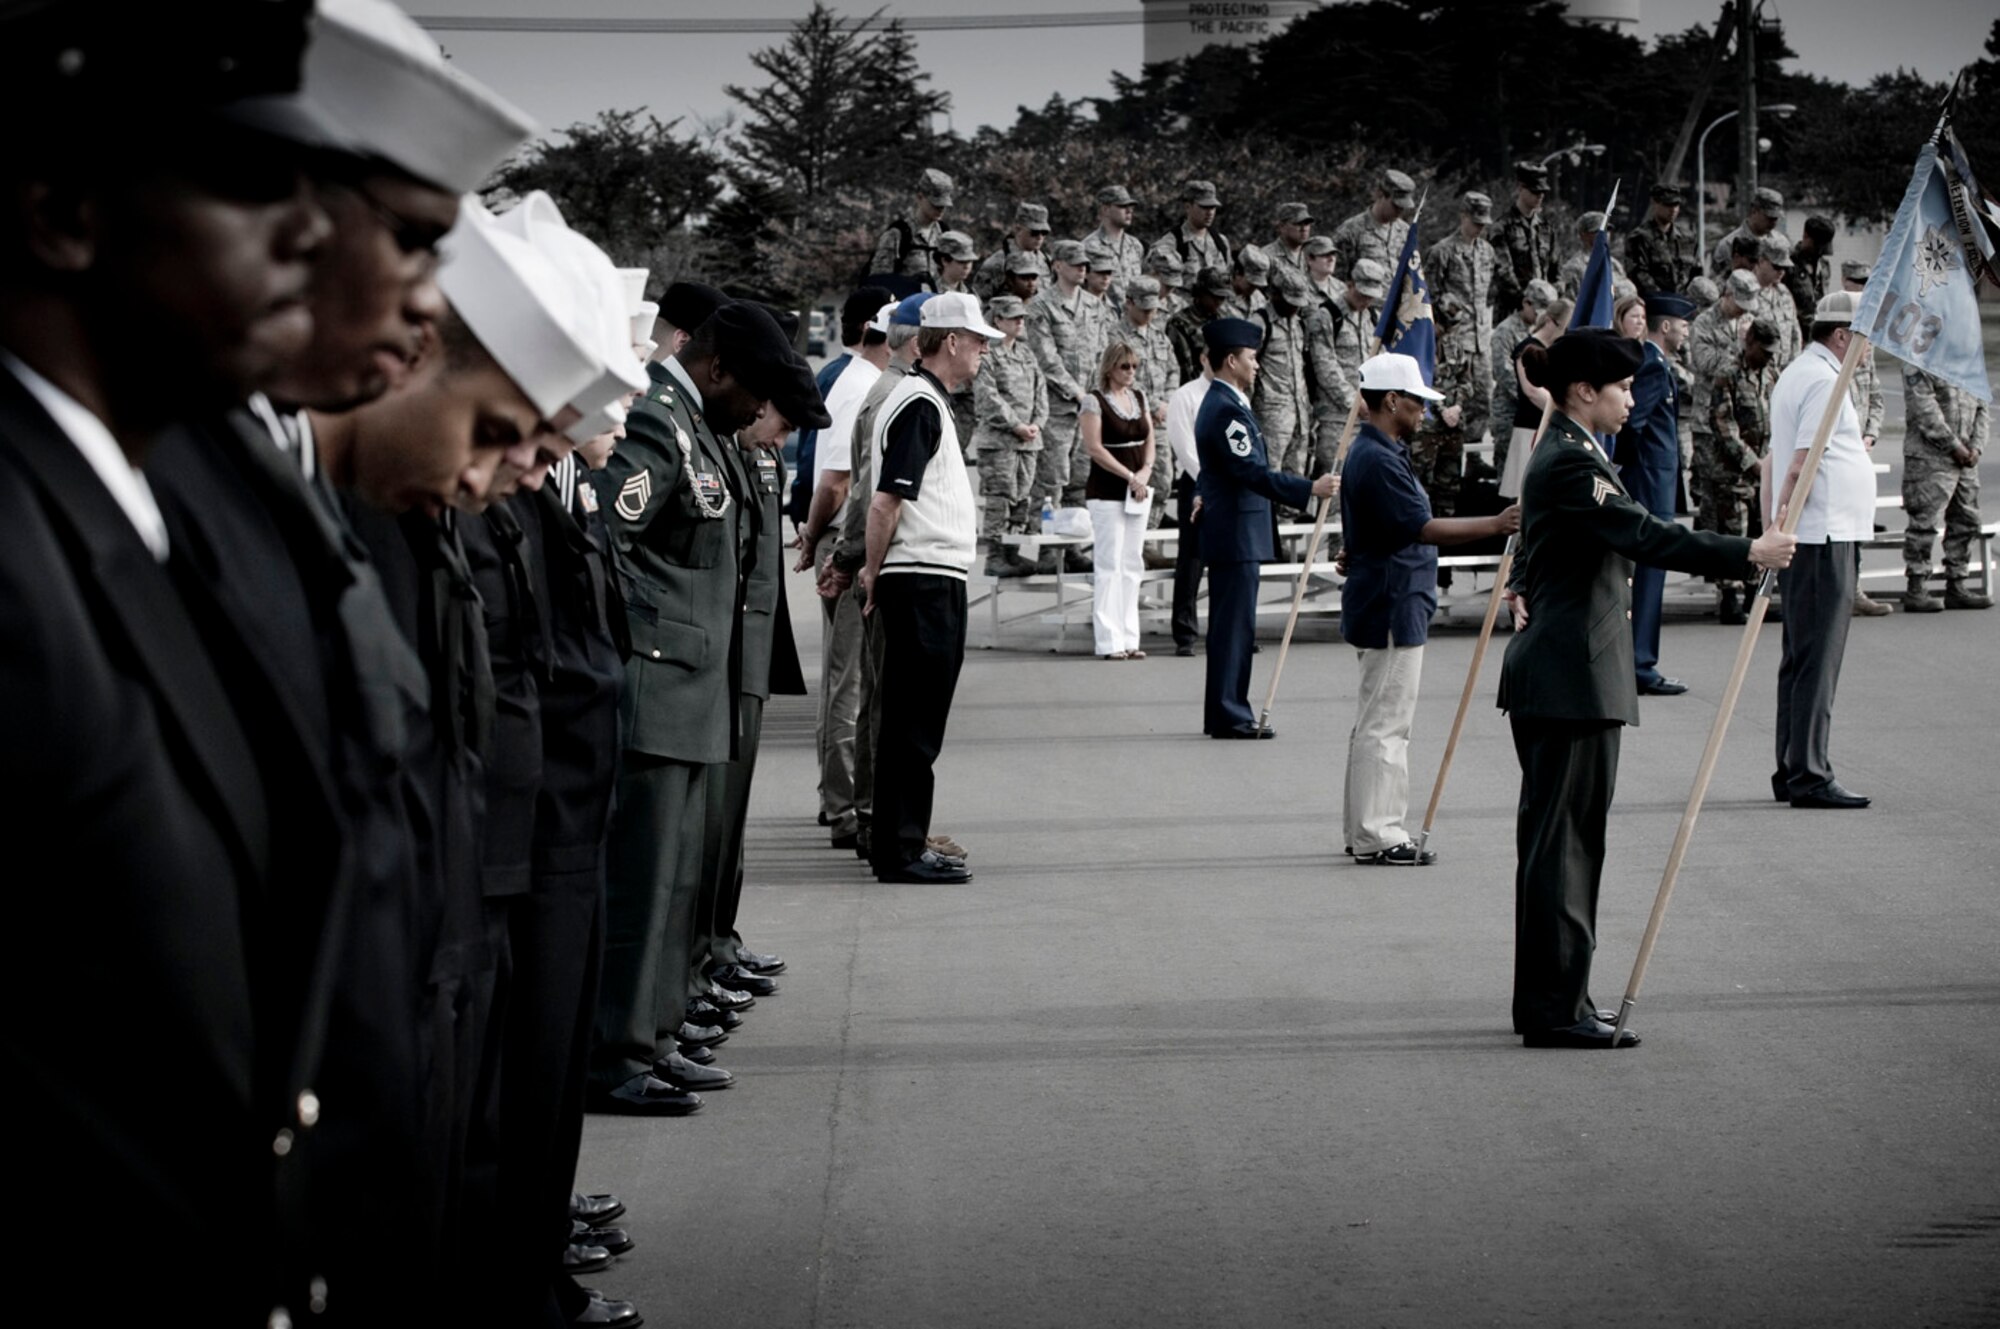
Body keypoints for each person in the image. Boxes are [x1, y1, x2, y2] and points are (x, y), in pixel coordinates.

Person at [1498, 329, 1795, 1048]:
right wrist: (1746, 552)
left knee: (1563, 844)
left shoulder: (1578, 455)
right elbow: (1645, 534)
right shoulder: (1571, 463)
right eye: (1623, 387)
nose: (1633, 398)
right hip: (1571, 676)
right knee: (1564, 847)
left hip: (1572, 671)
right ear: (1582, 392)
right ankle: (1555, 1008)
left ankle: (1555, 995)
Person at [590, 301, 795, 1113]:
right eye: (754, 394)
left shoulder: (697, 422)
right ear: (716, 370)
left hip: (694, 688)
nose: (759, 414)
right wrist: (654, 635)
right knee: (643, 883)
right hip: (661, 685)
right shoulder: (660, 421)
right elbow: (610, 536)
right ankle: (617, 1051)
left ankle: (653, 1034)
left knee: (674, 882)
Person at [1339, 354, 1520, 865]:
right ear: (1391, 400)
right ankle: (1379, 832)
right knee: (1387, 724)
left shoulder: (1377, 451)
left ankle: (1364, 828)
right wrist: (1497, 522)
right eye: (1418, 401)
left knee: (1375, 720)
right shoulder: (1377, 457)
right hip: (1392, 601)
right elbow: (1424, 527)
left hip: (1386, 595)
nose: (1424, 412)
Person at [861, 292, 1001, 883]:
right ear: (947, 341)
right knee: (913, 724)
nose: (982, 353)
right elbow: (886, 501)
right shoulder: (918, 403)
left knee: (917, 721)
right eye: (977, 342)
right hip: (919, 578)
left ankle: (903, 838)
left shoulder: (926, 401)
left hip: (928, 576)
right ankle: (899, 849)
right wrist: (873, 573)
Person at [1194, 318, 1338, 738]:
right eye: (1252, 358)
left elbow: (1219, 467)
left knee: (1234, 628)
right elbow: (1248, 470)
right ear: (1231, 360)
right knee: (1233, 630)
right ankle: (1229, 714)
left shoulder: (1228, 403)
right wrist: (1308, 487)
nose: (1257, 365)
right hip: (1236, 534)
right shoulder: (1224, 408)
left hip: (1236, 530)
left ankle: (1227, 710)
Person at [1767, 291, 1875, 808]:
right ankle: (1809, 773)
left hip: (1814, 533)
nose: (1870, 345)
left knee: (1802, 656)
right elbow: (1797, 465)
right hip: (1821, 535)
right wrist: (1782, 523)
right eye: (1865, 333)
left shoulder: (1803, 371)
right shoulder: (1824, 380)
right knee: (1817, 659)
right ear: (1840, 336)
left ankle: (1793, 767)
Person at [801, 296, 893, 845]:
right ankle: (842, 807)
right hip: (849, 539)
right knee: (850, 678)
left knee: (848, 675)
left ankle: (837, 798)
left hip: (846, 536)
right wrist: (817, 540)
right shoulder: (861, 385)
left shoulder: (863, 380)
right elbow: (836, 481)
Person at [1614, 292, 1696, 696]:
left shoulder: (1659, 362)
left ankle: (1638, 660)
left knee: (1651, 572)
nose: (1686, 331)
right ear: (1666, 327)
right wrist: (1627, 473)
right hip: (1648, 480)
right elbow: (1633, 424)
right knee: (1648, 573)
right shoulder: (1650, 363)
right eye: (1682, 325)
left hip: (1654, 478)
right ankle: (1640, 665)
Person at [1699, 319, 1780, 625]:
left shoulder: (1770, 375)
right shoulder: (1728, 375)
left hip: (1764, 470)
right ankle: (1730, 599)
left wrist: (1770, 461)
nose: (1769, 357)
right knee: (1735, 535)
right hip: (1733, 473)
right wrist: (1752, 462)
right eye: (1764, 350)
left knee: (1761, 533)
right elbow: (1723, 426)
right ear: (1750, 343)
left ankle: (1755, 597)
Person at [1080, 341, 1156, 659]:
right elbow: (1094, 447)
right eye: (1125, 366)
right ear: (1110, 368)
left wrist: (1145, 472)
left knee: (1131, 563)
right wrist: (1129, 475)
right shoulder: (1094, 401)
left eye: (1134, 366)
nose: (1131, 373)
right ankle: (1108, 640)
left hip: (1137, 490)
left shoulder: (1139, 398)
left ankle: (1129, 637)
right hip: (1108, 491)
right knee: (1109, 564)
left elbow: (1149, 436)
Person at [1900, 368, 1991, 612]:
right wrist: (1953, 446)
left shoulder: (1968, 362)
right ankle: (1917, 587)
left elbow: (1982, 408)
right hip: (1930, 457)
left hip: (1965, 460)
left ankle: (1957, 584)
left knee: (1967, 521)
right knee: (1924, 524)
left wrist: (1977, 447)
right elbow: (1924, 408)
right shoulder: (1921, 359)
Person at [970, 293, 1047, 575]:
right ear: (998, 319)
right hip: (1000, 441)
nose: (1020, 322)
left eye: (1022, 317)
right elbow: (988, 397)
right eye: (1014, 317)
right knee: (1000, 497)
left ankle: (1012, 553)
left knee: (1022, 498)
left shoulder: (1025, 353)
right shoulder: (987, 353)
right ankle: (995, 555)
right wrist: (1015, 424)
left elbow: (1041, 391)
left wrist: (1038, 421)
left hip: (1028, 441)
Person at [1026, 239, 1093, 548]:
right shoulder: (1041, 306)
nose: (1082, 268)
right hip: (1058, 407)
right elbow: (1046, 358)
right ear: (1057, 266)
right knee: (1053, 480)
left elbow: (1104, 350)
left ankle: (1074, 545)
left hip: (1089, 407)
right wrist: (1076, 392)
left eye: (1085, 264)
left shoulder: (1094, 305)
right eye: (1075, 263)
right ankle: (1046, 547)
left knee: (1080, 479)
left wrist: (1096, 395)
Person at [1838, 259, 1895, 619]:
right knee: (1837, 524)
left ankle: (1854, 590)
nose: (1862, 289)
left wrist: (1871, 433)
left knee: (1857, 521)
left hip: (1860, 446)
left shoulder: (1866, 339)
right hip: (1837, 447)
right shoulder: (1836, 333)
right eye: (1856, 283)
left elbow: (1875, 394)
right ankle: (1840, 592)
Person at [1428, 191, 1497, 445]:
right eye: (1475, 222)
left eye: (1483, 224)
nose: (1479, 228)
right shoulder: (1442, 251)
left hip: (1480, 339)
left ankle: (1472, 453)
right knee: (1451, 401)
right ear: (1463, 216)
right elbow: (1430, 296)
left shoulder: (1487, 252)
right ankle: (1450, 457)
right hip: (1453, 340)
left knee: (1483, 399)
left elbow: (1489, 294)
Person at [1498, 290, 1571, 497]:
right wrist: (1562, 408)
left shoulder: (1554, 349)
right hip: (1529, 427)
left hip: (1546, 426)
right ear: (1550, 322)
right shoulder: (1527, 348)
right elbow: (1531, 389)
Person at [1165, 350, 1212, 656]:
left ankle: (1230, 631)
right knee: (1192, 558)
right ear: (1204, 358)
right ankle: (1185, 633)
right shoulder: (1186, 395)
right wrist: (1208, 479)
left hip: (1227, 482)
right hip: (1197, 480)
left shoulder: (1238, 396)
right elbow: (1183, 446)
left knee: (1228, 561)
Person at [1253, 263, 1318, 485]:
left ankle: (1288, 519)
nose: (1295, 308)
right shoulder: (1260, 322)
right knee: (1269, 473)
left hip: (1300, 411)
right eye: (1291, 302)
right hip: (1271, 412)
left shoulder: (1299, 324)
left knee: (1296, 473)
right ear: (1275, 295)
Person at [1489, 278, 1557, 462]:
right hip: (1510, 412)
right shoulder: (1506, 331)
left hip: (1536, 412)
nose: (1541, 314)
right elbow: (1504, 372)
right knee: (1510, 473)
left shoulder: (1546, 332)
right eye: (1538, 308)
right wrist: (1531, 396)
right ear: (1526, 304)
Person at [1491, 160, 1558, 320]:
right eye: (1535, 191)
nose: (1540, 196)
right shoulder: (1502, 227)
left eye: (1542, 192)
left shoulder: (1546, 228)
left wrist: (1553, 296)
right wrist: (1526, 301)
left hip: (1544, 311)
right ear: (1521, 188)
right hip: (1514, 310)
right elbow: (1503, 272)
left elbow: (1555, 269)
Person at [870, 167, 953, 287]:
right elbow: (878, 280)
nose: (941, 209)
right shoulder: (898, 234)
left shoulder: (945, 234)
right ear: (920, 197)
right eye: (935, 204)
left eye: (944, 205)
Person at [1330, 167, 1415, 282]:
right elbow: (1336, 281)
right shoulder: (1350, 231)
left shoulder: (1405, 231)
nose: (1400, 211)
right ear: (1381, 195)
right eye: (1395, 206)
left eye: (1403, 208)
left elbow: (1411, 273)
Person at [1624, 183, 1697, 295]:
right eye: (1668, 204)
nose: (1673, 210)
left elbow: (1695, 271)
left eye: (1676, 205)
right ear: (1654, 203)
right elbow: (1638, 274)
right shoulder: (1639, 238)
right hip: (1653, 302)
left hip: (1685, 302)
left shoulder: (1688, 238)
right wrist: (1663, 298)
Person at [972, 201, 1053, 299]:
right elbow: (979, 303)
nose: (1040, 237)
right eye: (1034, 232)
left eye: (1044, 233)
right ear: (1018, 229)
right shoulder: (998, 263)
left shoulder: (1047, 262)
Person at [1152, 178, 1233, 275]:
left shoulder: (1221, 242)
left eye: (1213, 207)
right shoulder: (1170, 244)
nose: (1210, 212)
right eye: (1204, 207)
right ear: (1188, 207)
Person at [1708, 184, 1784, 282]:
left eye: (1776, 219)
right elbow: (1715, 282)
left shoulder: (1780, 241)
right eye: (1769, 218)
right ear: (1754, 211)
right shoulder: (1729, 244)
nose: (1773, 223)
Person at [1168, 265, 1230, 384]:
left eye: (1222, 298)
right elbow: (1184, 367)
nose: (1219, 302)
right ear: (1201, 293)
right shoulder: (1179, 323)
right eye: (1214, 297)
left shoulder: (1221, 321)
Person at [1087, 184, 1147, 287]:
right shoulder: (1089, 247)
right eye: (1122, 206)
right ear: (1106, 209)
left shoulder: (1136, 246)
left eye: (1131, 207)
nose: (1129, 211)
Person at [1559, 211, 1628, 301]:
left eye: (1608, 230)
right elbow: (1571, 304)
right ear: (1584, 235)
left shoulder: (1615, 264)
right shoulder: (1573, 268)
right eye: (1599, 231)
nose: (1606, 234)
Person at [1267, 200, 1314, 272]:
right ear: (1282, 227)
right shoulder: (1267, 256)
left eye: (1307, 223)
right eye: (1298, 224)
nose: (1304, 229)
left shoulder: (1313, 255)